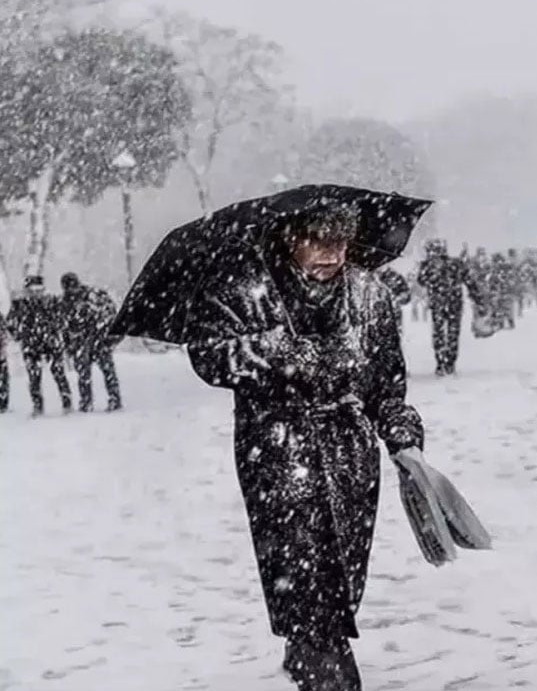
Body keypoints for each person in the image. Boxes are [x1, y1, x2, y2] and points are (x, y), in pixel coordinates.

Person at [183, 202, 426, 691]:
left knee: (344, 560)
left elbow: (386, 380)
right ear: (290, 237)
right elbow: (208, 355)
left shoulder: (369, 293)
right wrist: (276, 352)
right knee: (298, 559)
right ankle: (324, 658)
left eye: (340, 240)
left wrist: (400, 432)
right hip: (276, 445)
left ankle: (306, 640)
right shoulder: (248, 290)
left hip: (349, 449)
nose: (331, 253)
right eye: (318, 239)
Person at [417, 239, 486, 376]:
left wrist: (429, 270)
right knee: (451, 334)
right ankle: (448, 362)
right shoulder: (455, 264)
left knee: (440, 334)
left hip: (441, 304)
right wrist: (478, 299)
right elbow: (470, 283)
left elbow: (422, 281)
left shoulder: (443, 265)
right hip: (452, 303)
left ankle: (442, 362)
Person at [6, 276, 72, 416]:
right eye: (32, 290)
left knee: (59, 373)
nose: (35, 293)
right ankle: (37, 406)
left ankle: (67, 403)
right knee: (34, 378)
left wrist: (58, 332)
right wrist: (19, 335)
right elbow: (10, 323)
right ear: (26, 290)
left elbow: (63, 320)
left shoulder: (52, 301)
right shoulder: (19, 304)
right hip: (31, 345)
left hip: (51, 343)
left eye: (39, 289)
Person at [59, 273, 122, 412]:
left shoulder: (94, 296)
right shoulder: (65, 303)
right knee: (85, 375)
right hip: (82, 343)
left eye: (72, 287)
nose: (71, 291)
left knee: (106, 371)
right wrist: (69, 345)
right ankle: (87, 402)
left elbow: (111, 316)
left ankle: (114, 399)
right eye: (68, 288)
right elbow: (64, 326)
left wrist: (109, 338)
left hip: (98, 340)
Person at [487, 253, 517, 330]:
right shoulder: (496, 271)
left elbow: (510, 279)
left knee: (502, 307)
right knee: (502, 307)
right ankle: (503, 322)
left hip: (504, 291)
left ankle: (504, 322)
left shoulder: (500, 270)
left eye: (494, 261)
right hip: (503, 291)